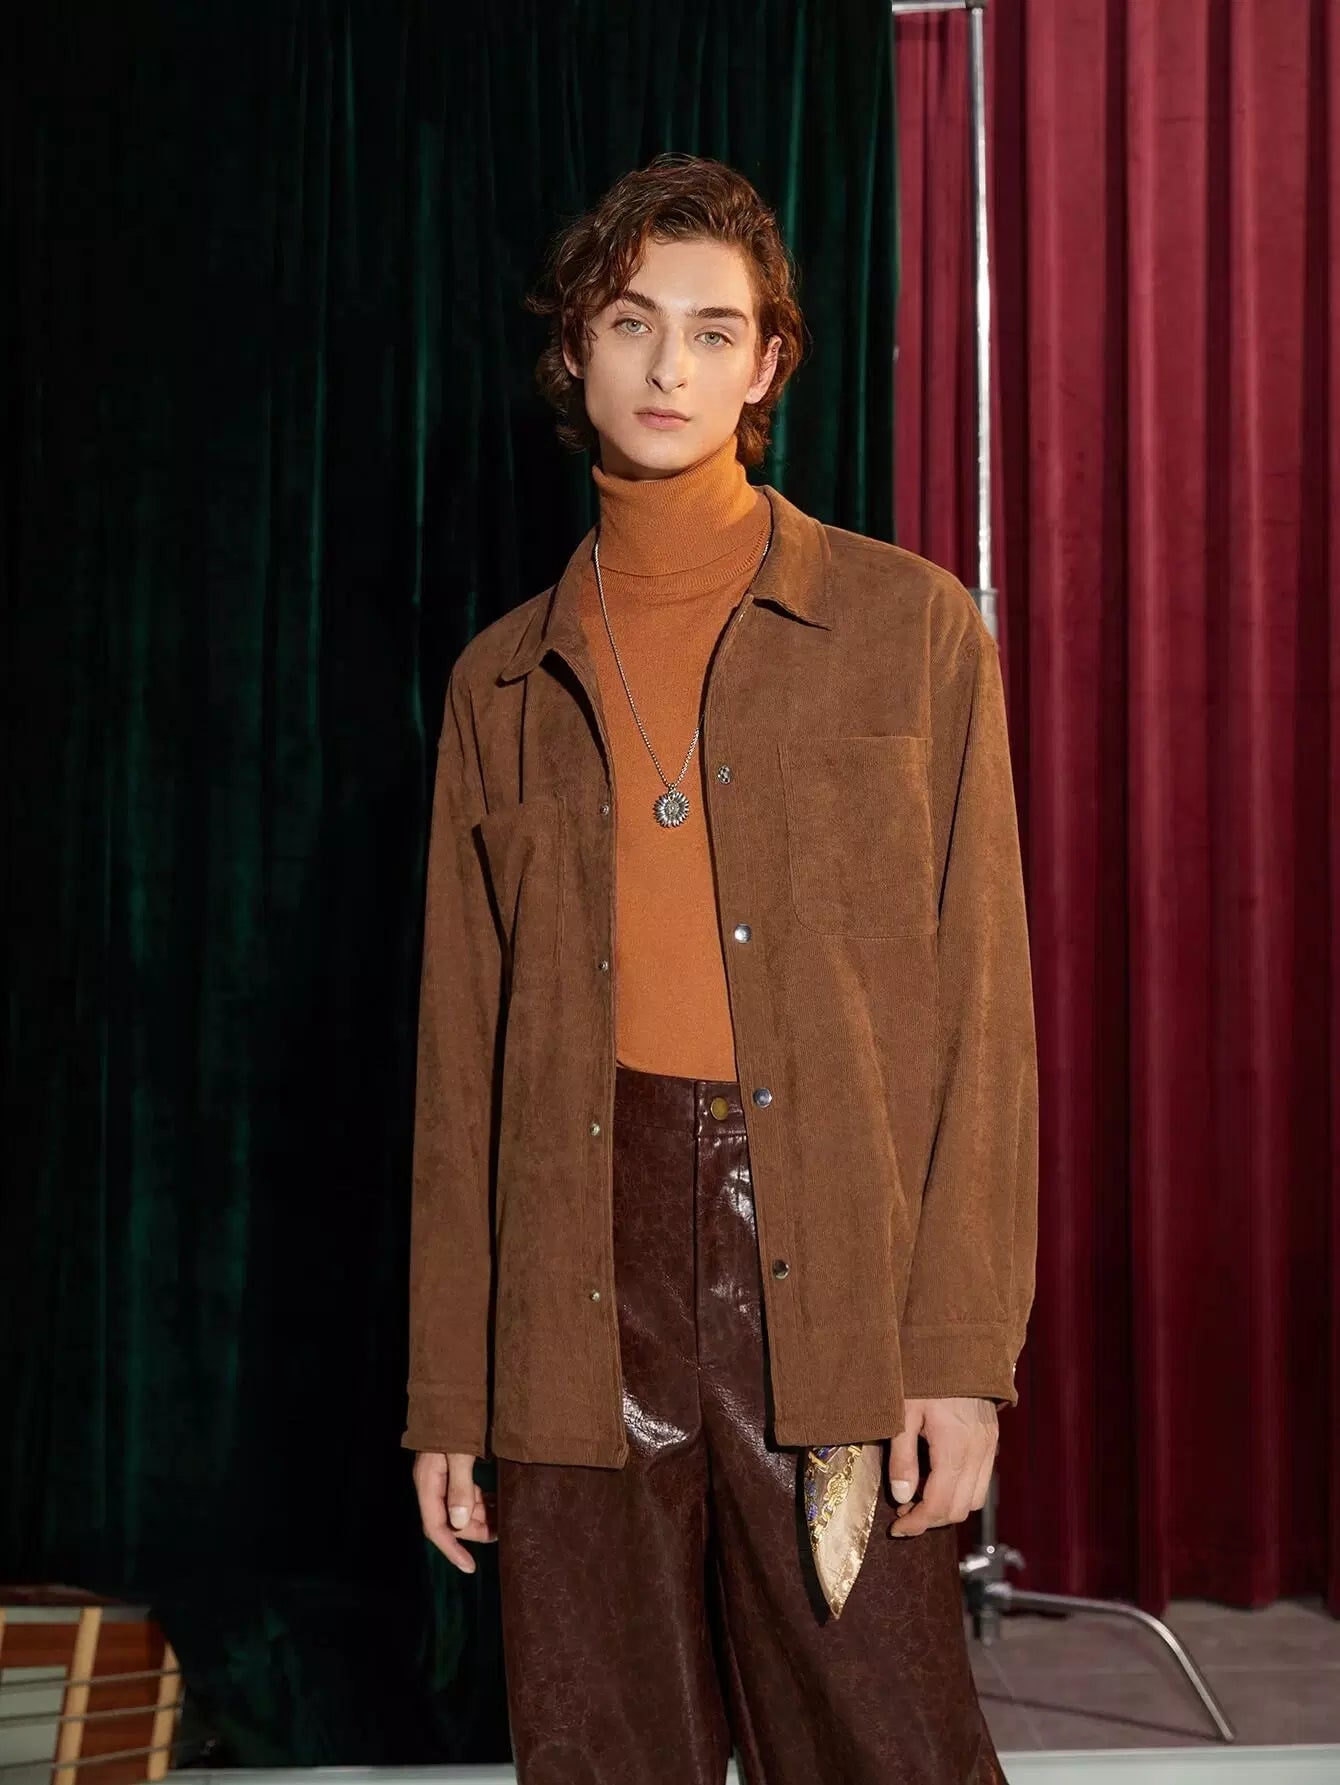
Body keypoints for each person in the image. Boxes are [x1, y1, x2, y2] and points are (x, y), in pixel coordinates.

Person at [403, 151, 1037, 1784]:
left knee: (886, 1739)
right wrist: (450, 1392)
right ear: (576, 351)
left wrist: (959, 1358)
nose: (667, 366)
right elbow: (460, 1074)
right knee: (606, 1747)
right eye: (631, 323)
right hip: (573, 1288)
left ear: (768, 367)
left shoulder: (912, 633)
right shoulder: (500, 685)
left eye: (712, 330)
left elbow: (986, 1021)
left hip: (824, 1272)